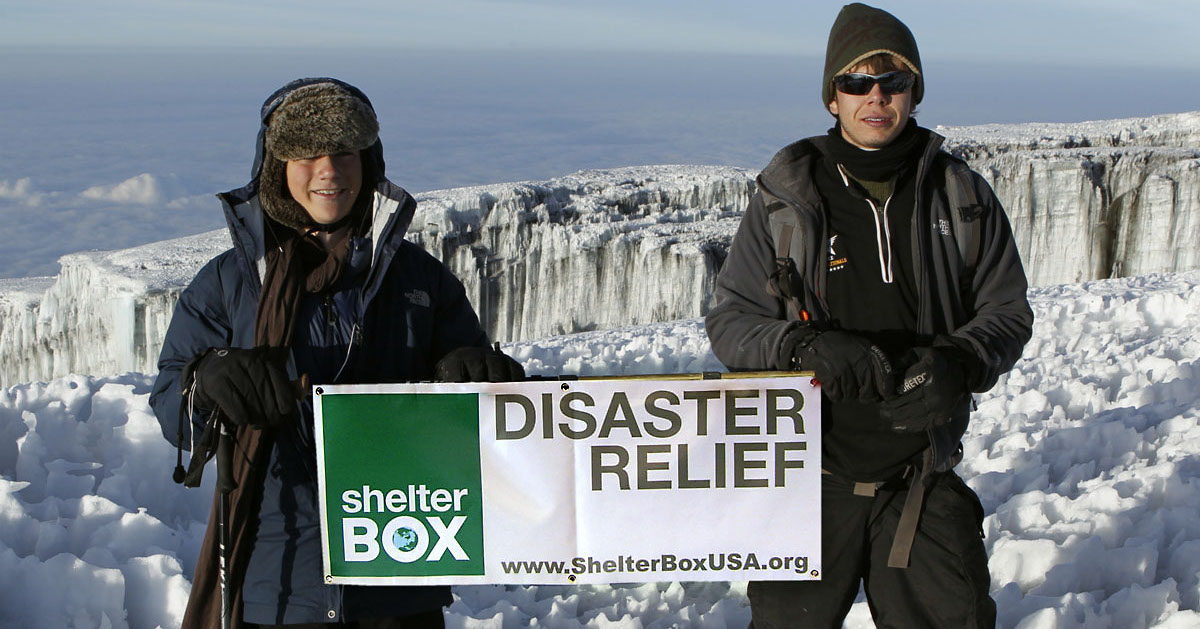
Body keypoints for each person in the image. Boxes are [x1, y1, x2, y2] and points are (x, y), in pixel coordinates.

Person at [150, 77, 524, 629]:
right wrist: (205, 382)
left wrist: (475, 376)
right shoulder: (228, 285)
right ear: (275, 166)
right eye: (306, 153)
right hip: (275, 583)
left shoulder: (420, 280)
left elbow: (487, 406)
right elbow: (171, 407)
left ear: (367, 161)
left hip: (398, 576)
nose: (328, 170)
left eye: (344, 152)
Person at [705, 4, 1033, 627]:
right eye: (857, 82)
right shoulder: (788, 195)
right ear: (833, 96)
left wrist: (959, 363)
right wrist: (800, 349)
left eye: (894, 81)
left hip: (921, 473)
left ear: (914, 92)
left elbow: (1006, 309)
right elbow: (732, 321)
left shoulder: (959, 194)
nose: (875, 96)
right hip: (809, 478)